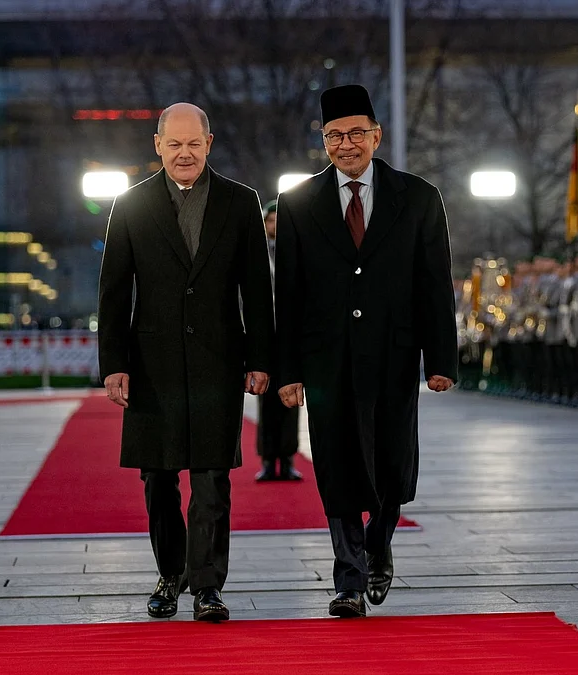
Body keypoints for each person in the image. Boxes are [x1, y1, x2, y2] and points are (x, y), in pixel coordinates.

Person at [273, 84, 457, 619]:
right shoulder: (299, 202)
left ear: (376, 136)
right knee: (336, 465)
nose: (346, 144)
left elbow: (434, 283)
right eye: (334, 135)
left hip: (394, 355)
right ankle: (349, 579)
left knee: (392, 462)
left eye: (356, 133)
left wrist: (441, 360)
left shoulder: (418, 197)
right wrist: (289, 370)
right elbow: (290, 294)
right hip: (327, 360)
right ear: (323, 142)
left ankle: (379, 543)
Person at [97, 102, 275, 622]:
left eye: (193, 144)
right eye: (173, 145)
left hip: (218, 361)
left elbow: (256, 291)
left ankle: (207, 587)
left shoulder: (241, 203)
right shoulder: (129, 205)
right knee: (157, 479)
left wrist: (260, 356)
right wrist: (114, 364)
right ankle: (169, 573)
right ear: (157, 146)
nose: (183, 154)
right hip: (151, 366)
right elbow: (112, 292)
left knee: (212, 479)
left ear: (209, 143)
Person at [255, 199, 302, 481]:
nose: (274, 226)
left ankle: (287, 458)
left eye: (278, 221)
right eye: (270, 221)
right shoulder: (256, 252)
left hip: (289, 335)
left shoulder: (296, 251)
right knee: (266, 401)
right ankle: (267, 459)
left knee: (291, 398)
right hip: (264, 335)